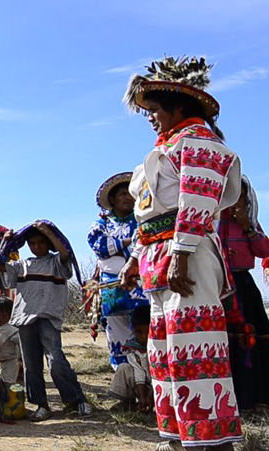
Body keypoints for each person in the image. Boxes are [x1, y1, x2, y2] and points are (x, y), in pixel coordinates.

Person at [120, 56, 242, 450]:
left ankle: (210, 440)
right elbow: (149, 215)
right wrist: (136, 259)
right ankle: (178, 436)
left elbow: (198, 200)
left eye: (155, 110)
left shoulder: (198, 142)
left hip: (185, 254)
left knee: (194, 346)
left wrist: (182, 253)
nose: (151, 118)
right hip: (161, 255)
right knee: (163, 350)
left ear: (180, 108)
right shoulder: (166, 147)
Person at [0, 220, 92, 421]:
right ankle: (41, 404)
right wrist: (4, 243)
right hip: (24, 318)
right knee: (31, 365)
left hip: (48, 317)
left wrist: (48, 231)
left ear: (49, 242)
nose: (37, 247)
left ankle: (76, 399)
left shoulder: (57, 263)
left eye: (42, 242)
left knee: (56, 360)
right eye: (32, 243)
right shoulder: (21, 265)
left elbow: (65, 253)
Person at [218, 175, 269, 411]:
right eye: (230, 195)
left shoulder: (250, 223)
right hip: (219, 287)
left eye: (239, 195)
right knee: (225, 341)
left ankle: (254, 399)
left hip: (243, 287)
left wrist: (248, 228)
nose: (235, 201)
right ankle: (230, 401)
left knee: (249, 339)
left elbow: (263, 250)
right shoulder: (213, 223)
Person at [88, 172, 149, 368]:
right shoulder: (101, 223)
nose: (127, 198)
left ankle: (146, 381)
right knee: (116, 332)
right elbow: (100, 246)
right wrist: (130, 241)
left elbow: (145, 242)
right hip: (111, 288)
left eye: (130, 194)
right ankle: (125, 383)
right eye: (123, 194)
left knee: (144, 330)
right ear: (112, 199)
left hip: (140, 286)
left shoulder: (142, 220)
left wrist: (123, 244)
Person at [109, 306, 153, 412]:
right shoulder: (132, 348)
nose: (143, 336)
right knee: (124, 368)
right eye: (139, 332)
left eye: (148, 332)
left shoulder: (161, 347)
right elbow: (139, 372)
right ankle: (127, 403)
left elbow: (160, 374)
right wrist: (143, 398)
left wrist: (151, 397)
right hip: (141, 386)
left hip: (159, 388)